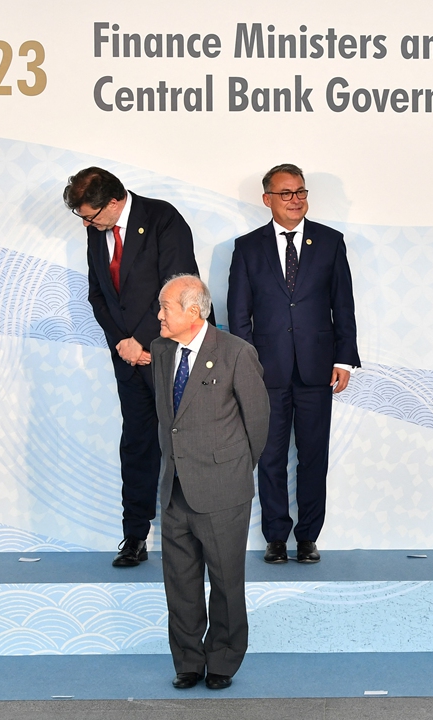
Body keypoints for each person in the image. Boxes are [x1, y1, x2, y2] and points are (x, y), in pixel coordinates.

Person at [63, 167, 206, 567]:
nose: (87, 224)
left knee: (186, 446)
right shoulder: (97, 231)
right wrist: (123, 344)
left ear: (113, 201)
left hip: (168, 353)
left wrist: (142, 341)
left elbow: (180, 288)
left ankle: (196, 535)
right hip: (128, 359)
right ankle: (134, 536)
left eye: (90, 215)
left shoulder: (162, 219)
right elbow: (98, 295)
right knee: (138, 446)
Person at [228, 164, 359, 564]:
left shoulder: (331, 242)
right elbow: (238, 314)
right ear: (267, 199)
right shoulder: (247, 247)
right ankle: (275, 537)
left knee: (313, 455)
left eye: (300, 192)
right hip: (266, 371)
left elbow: (343, 304)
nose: (295, 200)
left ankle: (307, 538)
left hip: (318, 368)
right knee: (269, 456)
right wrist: (246, 367)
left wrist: (344, 359)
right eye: (286, 193)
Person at [152, 274, 269, 691]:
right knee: (180, 583)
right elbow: (170, 422)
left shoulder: (236, 353)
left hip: (222, 490)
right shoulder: (162, 350)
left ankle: (222, 659)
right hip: (175, 489)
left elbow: (257, 422)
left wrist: (233, 471)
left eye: (165, 307)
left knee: (224, 581)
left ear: (194, 312)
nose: (159, 315)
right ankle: (188, 660)